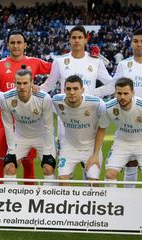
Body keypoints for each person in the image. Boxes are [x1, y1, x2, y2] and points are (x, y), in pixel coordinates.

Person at [96, 28, 142, 186]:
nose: (139, 44)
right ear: (131, 44)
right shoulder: (124, 65)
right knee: (130, 165)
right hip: (127, 121)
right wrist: (88, 92)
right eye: (136, 41)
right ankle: (128, 203)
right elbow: (112, 87)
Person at [37, 25, 112, 181]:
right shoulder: (60, 61)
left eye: (80, 37)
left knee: (90, 169)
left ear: (85, 39)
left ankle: (88, 200)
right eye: (74, 37)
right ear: (69, 40)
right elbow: (48, 85)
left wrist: (92, 94)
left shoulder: (95, 61)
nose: (77, 40)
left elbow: (111, 84)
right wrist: (35, 89)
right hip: (67, 119)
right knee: (65, 172)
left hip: (89, 117)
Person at [0, 30, 52, 184]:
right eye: (12, 42)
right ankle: (1, 195)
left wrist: (44, 88)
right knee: (2, 159)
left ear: (25, 45)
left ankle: (28, 197)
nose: (16, 45)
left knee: (28, 161)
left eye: (19, 42)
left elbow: (57, 71)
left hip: (29, 119)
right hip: (4, 119)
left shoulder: (34, 62)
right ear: (7, 45)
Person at [0, 68, 56, 185]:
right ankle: (10, 200)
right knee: (9, 167)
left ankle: (50, 201)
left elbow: (48, 127)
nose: (22, 86)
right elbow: (9, 127)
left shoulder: (43, 98)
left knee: (48, 168)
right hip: (21, 137)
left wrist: (47, 152)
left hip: (42, 137)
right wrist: (11, 150)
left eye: (25, 83)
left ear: (32, 83)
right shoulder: (6, 98)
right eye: (19, 83)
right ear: (14, 83)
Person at [52, 75, 106, 185]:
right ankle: (69, 202)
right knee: (62, 180)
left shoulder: (97, 103)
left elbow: (102, 127)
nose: (72, 92)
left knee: (93, 183)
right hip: (69, 147)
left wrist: (95, 154)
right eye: (68, 89)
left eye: (75, 89)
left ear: (82, 90)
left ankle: (90, 202)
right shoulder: (56, 101)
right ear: (64, 90)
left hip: (90, 148)